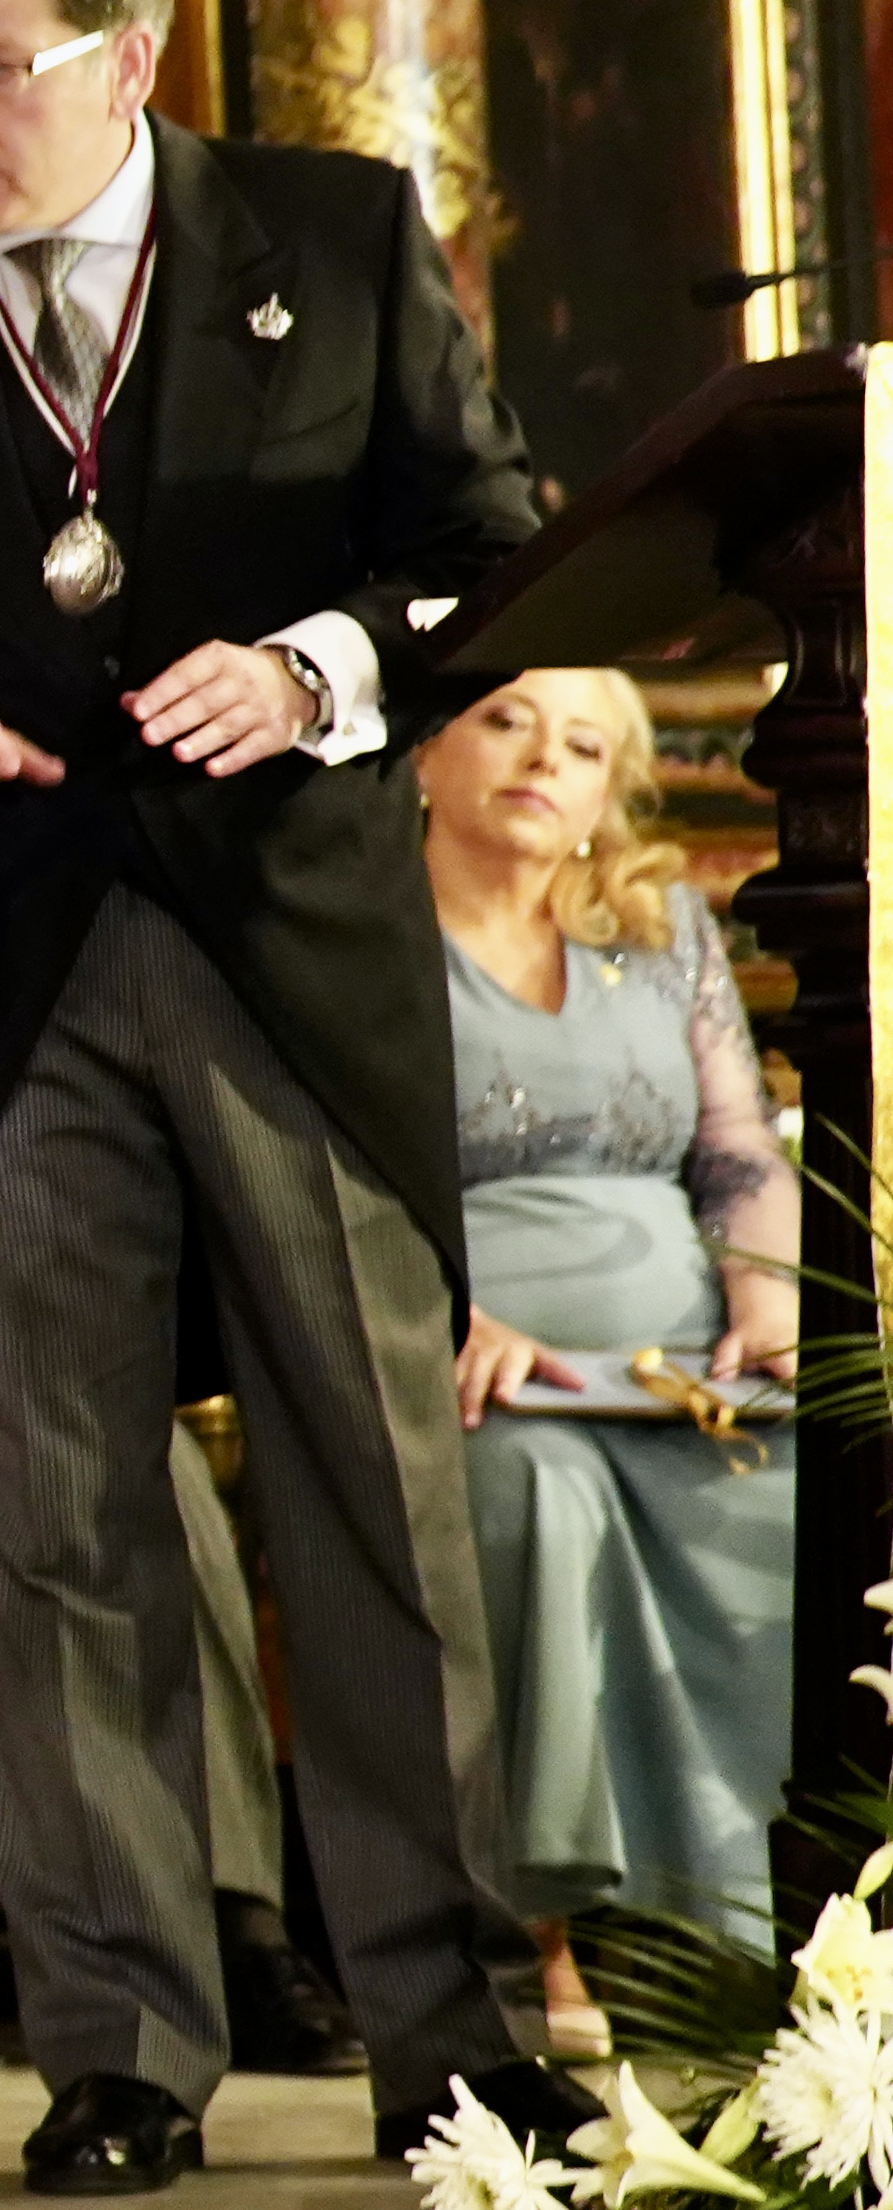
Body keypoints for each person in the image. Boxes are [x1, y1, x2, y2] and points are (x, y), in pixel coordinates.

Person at [0, 0, 577, 2202]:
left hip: (283, 949)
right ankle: (115, 2041)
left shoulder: (337, 229)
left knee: (371, 1506)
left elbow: (494, 551)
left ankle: (459, 2031)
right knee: (48, 1515)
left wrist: (316, 671)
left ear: (134, 55)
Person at [418, 666, 801, 1945]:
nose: (542, 758)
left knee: (803, 1489)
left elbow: (739, 1146)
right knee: (545, 1494)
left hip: (689, 1364)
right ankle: (586, 1933)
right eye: (505, 720)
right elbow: (324, 1178)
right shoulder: (361, 937)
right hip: (467, 1371)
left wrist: (768, 1295)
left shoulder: (665, 926)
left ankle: (759, 1937)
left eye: (585, 745)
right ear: (422, 752)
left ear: (606, 794)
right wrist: (437, 1319)